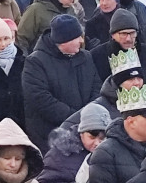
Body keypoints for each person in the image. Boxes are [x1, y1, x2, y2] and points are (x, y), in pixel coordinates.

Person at [22, 14, 102, 152]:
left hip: (86, 131)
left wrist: (87, 118)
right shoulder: (36, 62)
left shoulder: (86, 57)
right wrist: (75, 118)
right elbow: (40, 99)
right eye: (78, 37)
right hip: (50, 136)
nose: (82, 41)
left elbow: (96, 88)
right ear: (64, 41)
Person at [89, 9, 146, 98]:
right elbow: (94, 90)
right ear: (113, 35)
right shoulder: (97, 55)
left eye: (132, 33)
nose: (128, 39)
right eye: (123, 34)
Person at [17, 0, 84, 54]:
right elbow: (22, 39)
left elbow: (79, 36)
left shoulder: (72, 10)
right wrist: (26, 60)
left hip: (68, 60)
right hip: (42, 61)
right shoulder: (35, 10)